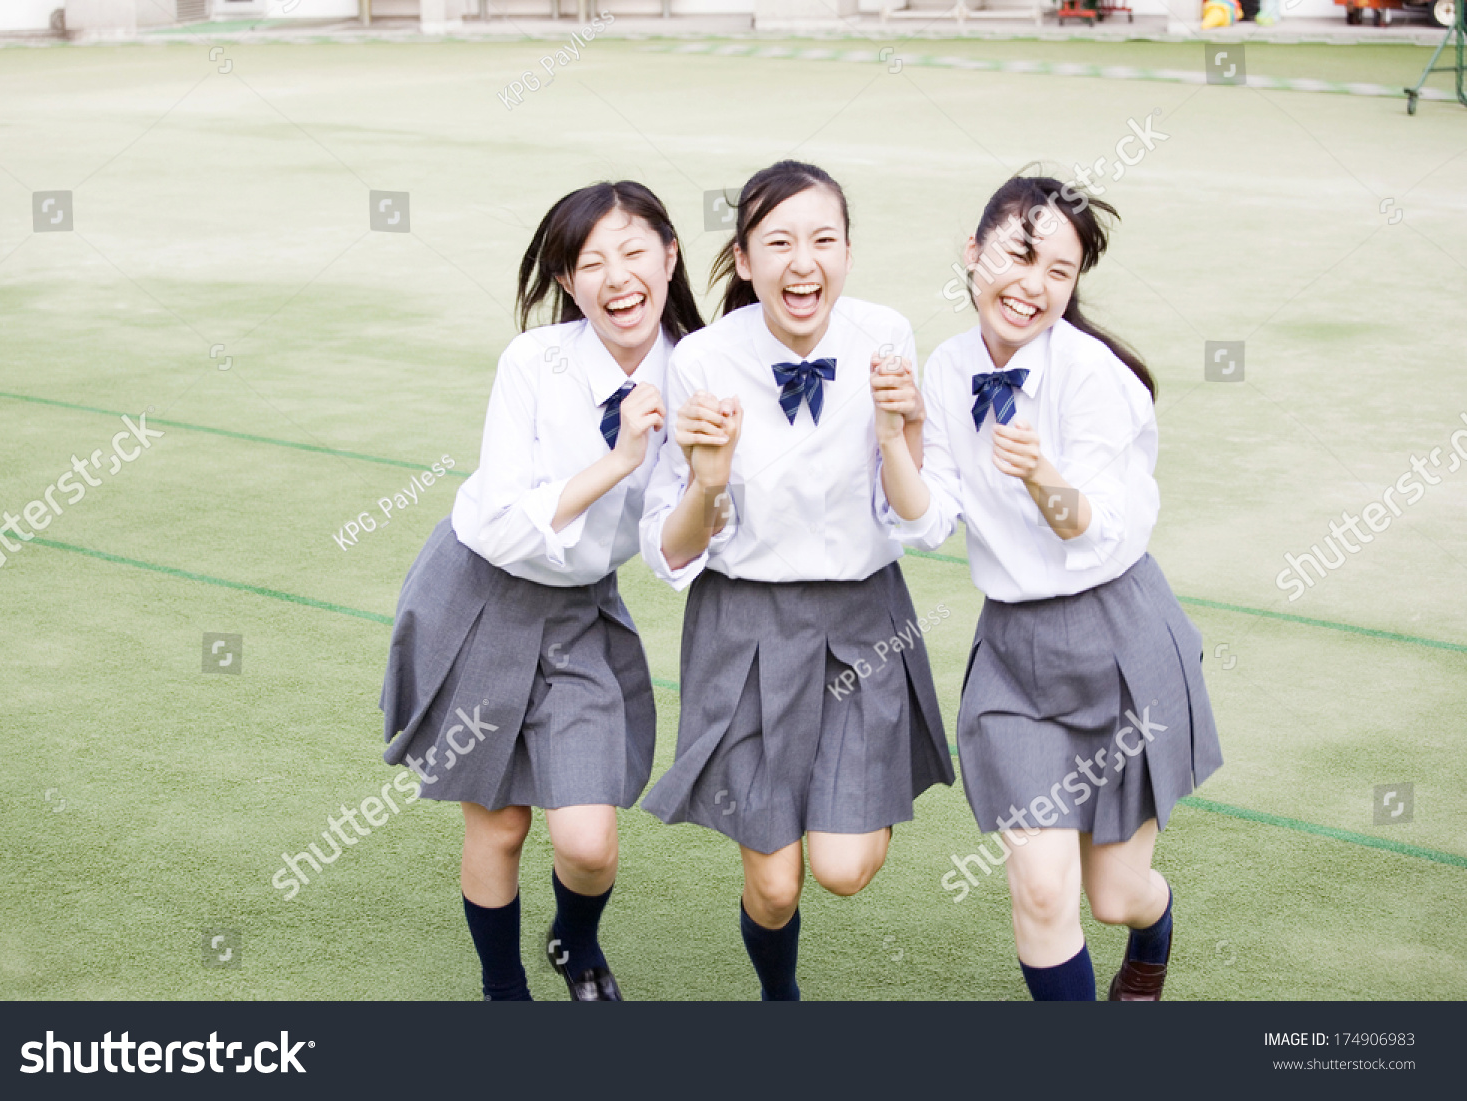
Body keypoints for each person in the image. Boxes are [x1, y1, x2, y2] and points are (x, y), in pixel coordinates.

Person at [876, 174, 1221, 1001]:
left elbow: (1098, 528)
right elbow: (928, 520)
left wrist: (1040, 476)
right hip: (1016, 657)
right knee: (1038, 889)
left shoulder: (1094, 376)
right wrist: (895, 438)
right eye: (1020, 253)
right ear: (975, 250)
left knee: (1114, 896)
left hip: (1122, 640)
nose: (1033, 284)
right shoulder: (950, 364)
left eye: (1058, 272)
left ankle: (1153, 925)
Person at [380, 180, 704, 1001]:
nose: (616, 276)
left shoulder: (697, 372)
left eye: (634, 251)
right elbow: (497, 527)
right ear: (566, 281)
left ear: (670, 256)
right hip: (478, 594)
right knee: (499, 820)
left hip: (581, 609)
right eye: (589, 261)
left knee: (589, 842)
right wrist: (620, 461)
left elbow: (676, 541)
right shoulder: (532, 362)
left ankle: (574, 939)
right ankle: (503, 989)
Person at [640, 159, 955, 1001]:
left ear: (849, 252)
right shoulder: (702, 358)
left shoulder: (885, 336)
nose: (802, 261)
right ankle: (781, 999)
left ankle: (849, 795)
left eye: (823, 239)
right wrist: (707, 480)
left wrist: (902, 432)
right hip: (742, 624)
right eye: (778, 241)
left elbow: (916, 520)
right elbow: (672, 549)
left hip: (864, 620)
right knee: (777, 886)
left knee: (844, 869)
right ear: (744, 259)